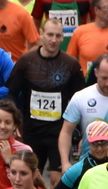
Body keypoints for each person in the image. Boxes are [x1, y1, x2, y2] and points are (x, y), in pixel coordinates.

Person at [7, 19, 85, 166]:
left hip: (59, 132)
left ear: (63, 37)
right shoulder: (26, 61)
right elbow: (11, 93)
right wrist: (14, 121)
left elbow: (80, 98)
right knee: (32, 177)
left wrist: (79, 130)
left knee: (57, 178)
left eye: (58, 36)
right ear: (41, 34)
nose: (53, 40)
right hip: (31, 131)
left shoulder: (71, 64)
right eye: (50, 35)